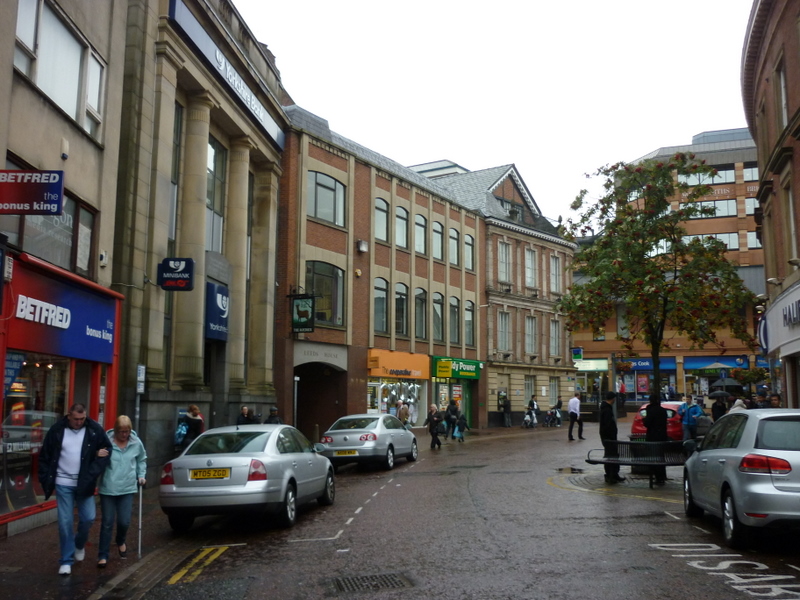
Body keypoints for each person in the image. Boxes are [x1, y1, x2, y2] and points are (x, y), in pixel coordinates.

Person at [38, 404, 112, 575]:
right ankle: (66, 560)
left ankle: (79, 544)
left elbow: (107, 449)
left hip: (84, 483)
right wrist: (45, 477)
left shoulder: (93, 429)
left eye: (82, 419)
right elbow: (45, 455)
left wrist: (93, 470)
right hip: (63, 483)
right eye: (76, 419)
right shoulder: (57, 430)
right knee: (65, 522)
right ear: (68, 416)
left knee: (88, 519)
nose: (79, 422)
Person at [97, 415, 147, 568]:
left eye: (127, 431)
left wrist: (141, 475)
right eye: (121, 432)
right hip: (108, 487)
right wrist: (96, 454)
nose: (124, 435)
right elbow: (95, 457)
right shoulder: (107, 441)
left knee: (124, 521)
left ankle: (120, 540)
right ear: (116, 430)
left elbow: (142, 459)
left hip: (127, 487)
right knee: (107, 522)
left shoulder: (135, 442)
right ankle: (103, 555)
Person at [599, 392, 625, 484]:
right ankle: (611, 475)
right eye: (614, 398)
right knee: (611, 456)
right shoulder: (607, 410)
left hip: (608, 438)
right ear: (613, 399)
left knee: (611, 456)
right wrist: (610, 436)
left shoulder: (605, 408)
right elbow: (607, 425)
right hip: (609, 439)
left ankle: (613, 474)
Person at [642, 397, 668, 485]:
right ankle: (662, 476)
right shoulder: (663, 411)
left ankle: (657, 476)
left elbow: (647, 423)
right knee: (661, 456)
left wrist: (644, 419)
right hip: (662, 437)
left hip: (652, 437)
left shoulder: (650, 410)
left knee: (653, 457)